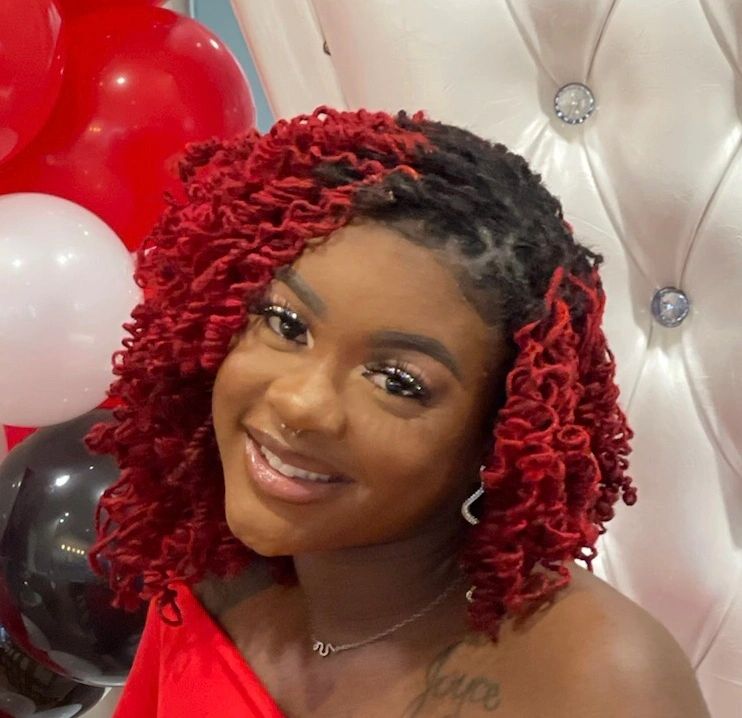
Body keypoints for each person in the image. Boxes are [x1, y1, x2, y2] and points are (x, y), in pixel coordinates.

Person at [85, 107, 711, 717]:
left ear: (497, 437)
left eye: (397, 381)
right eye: (286, 324)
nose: (301, 403)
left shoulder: (597, 682)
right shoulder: (212, 574)